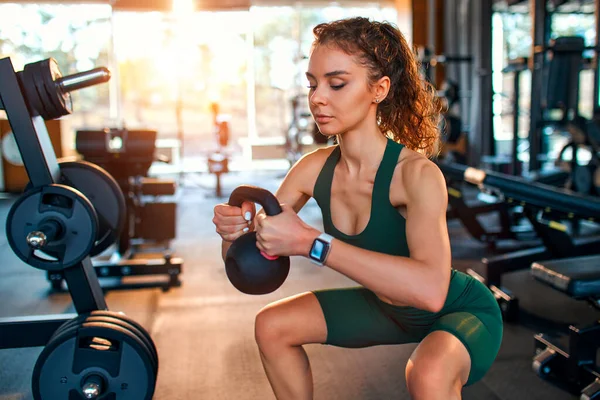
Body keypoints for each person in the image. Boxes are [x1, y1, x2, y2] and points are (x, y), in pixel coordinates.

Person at [212, 17, 503, 400]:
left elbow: (431, 292)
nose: (317, 97)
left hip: (459, 311)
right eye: (313, 84)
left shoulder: (415, 175)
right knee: (272, 326)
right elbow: (255, 260)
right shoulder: (312, 169)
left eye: (336, 83)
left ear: (379, 89)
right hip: (386, 308)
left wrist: (314, 244)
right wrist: (236, 234)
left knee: (427, 373)